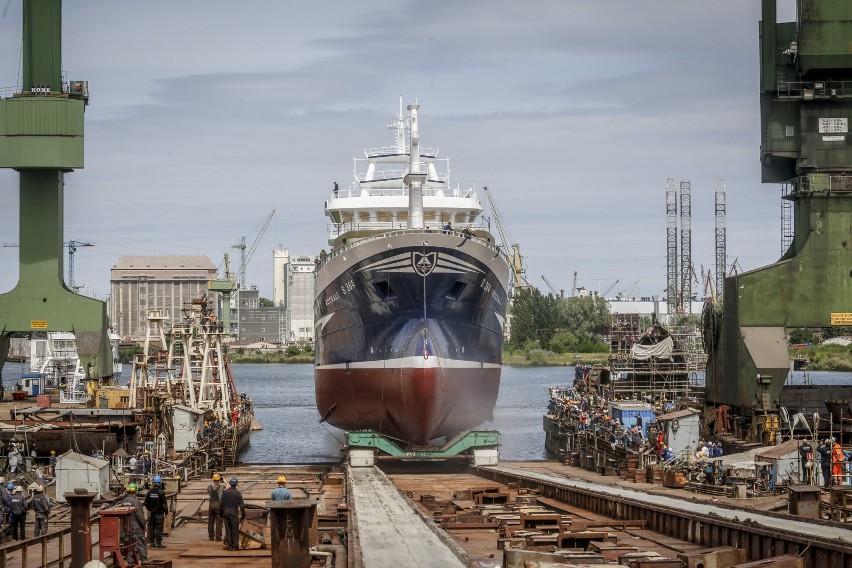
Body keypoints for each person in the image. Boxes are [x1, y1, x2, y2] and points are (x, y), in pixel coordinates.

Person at [121, 483, 148, 562]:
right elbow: (140, 516)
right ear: (135, 491)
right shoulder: (136, 501)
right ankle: (145, 562)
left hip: (126, 528)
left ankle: (130, 562)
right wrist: (144, 526)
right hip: (136, 527)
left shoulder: (123, 501)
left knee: (129, 545)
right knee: (141, 544)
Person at [221, 477, 245, 551]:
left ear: (230, 483)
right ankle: (235, 546)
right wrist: (243, 515)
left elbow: (221, 504)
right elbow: (242, 506)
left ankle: (230, 546)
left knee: (228, 529)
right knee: (235, 529)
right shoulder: (238, 494)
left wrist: (221, 514)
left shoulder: (224, 492)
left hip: (225, 512)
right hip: (233, 512)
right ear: (236, 484)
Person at [143, 475, 168, 548]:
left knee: (152, 527)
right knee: (159, 528)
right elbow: (164, 504)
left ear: (153, 483)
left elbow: (146, 502)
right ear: (160, 483)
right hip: (159, 513)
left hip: (152, 513)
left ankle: (151, 542)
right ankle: (158, 543)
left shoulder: (150, 491)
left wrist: (150, 509)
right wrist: (166, 512)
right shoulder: (161, 492)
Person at [207, 473, 224, 541]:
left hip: (211, 504)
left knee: (211, 521)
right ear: (219, 480)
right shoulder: (222, 487)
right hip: (218, 505)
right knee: (219, 521)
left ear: (213, 480)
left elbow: (209, 493)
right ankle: (218, 537)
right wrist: (223, 480)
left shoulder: (209, 487)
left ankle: (211, 537)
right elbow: (228, 486)